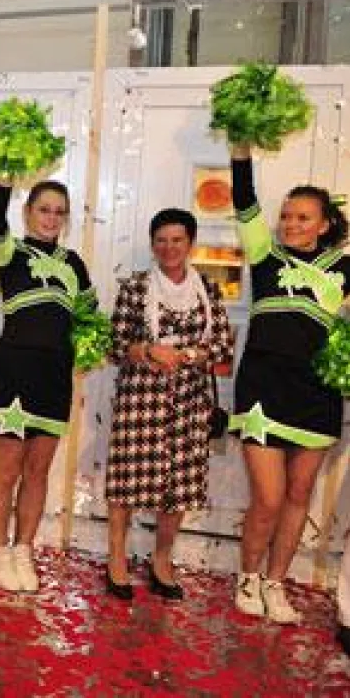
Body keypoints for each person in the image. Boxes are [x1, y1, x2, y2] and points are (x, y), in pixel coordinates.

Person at [227, 144, 350, 623]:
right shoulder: (264, 255)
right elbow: (244, 199)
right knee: (269, 498)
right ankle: (248, 576)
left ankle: (277, 583)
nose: (291, 224)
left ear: (324, 224)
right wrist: (241, 153)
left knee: (300, 496)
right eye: (287, 216)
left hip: (316, 394)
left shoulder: (345, 269)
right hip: (262, 389)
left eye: (303, 217)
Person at [104, 208, 235, 601]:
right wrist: (147, 350)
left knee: (178, 488)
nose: (169, 247)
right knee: (126, 484)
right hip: (141, 399)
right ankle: (116, 561)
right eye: (161, 240)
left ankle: (162, 561)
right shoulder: (136, 289)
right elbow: (115, 346)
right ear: (152, 245)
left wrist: (189, 356)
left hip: (189, 403)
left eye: (177, 239)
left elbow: (224, 346)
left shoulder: (207, 291)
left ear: (190, 243)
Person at [0, 179, 92, 593]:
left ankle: (24, 548)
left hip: (53, 377)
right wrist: (5, 180)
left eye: (60, 211)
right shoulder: (11, 252)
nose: (52, 218)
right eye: (44, 209)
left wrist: (91, 344)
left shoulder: (74, 263)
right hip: (14, 371)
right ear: (28, 212)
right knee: (5, 470)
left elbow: (89, 318)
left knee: (38, 470)